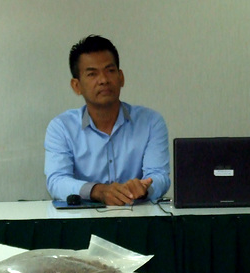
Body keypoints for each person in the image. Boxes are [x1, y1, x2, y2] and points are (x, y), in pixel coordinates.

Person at [45, 35, 170, 206]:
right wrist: (98, 191)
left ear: (121, 77)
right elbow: (56, 181)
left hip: (137, 215)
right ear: (76, 86)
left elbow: (159, 175)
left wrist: (143, 188)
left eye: (110, 71)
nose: (103, 80)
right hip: (84, 218)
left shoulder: (150, 122)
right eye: (92, 74)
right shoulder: (61, 128)